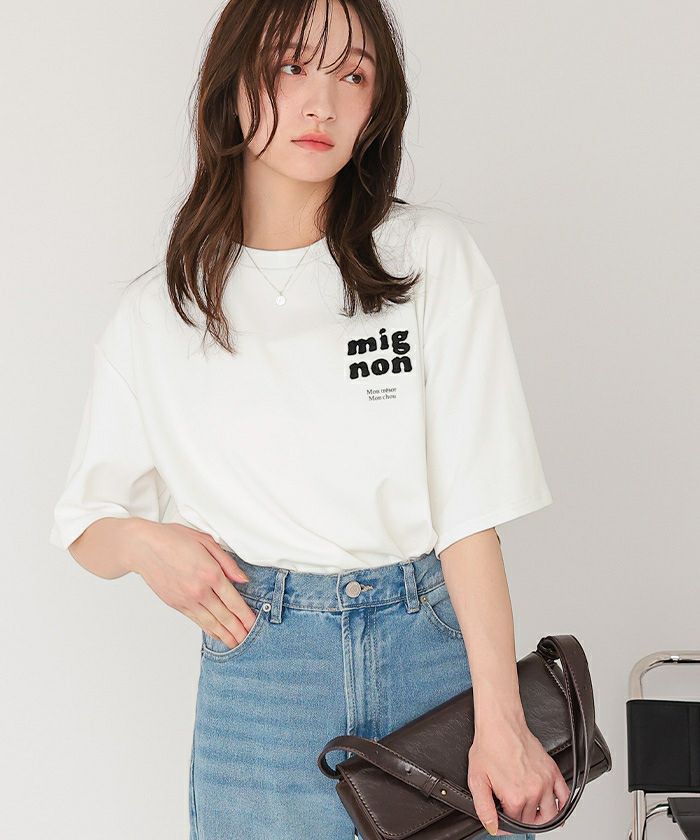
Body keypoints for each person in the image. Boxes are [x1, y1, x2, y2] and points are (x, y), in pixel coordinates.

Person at [49, 1, 570, 838]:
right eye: (291, 67)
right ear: (233, 84)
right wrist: (149, 546)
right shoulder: (162, 313)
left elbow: (471, 511)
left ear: (377, 106)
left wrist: (501, 720)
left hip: (429, 652)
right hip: (262, 676)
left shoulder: (425, 257)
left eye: (353, 75)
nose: (321, 103)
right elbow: (85, 524)